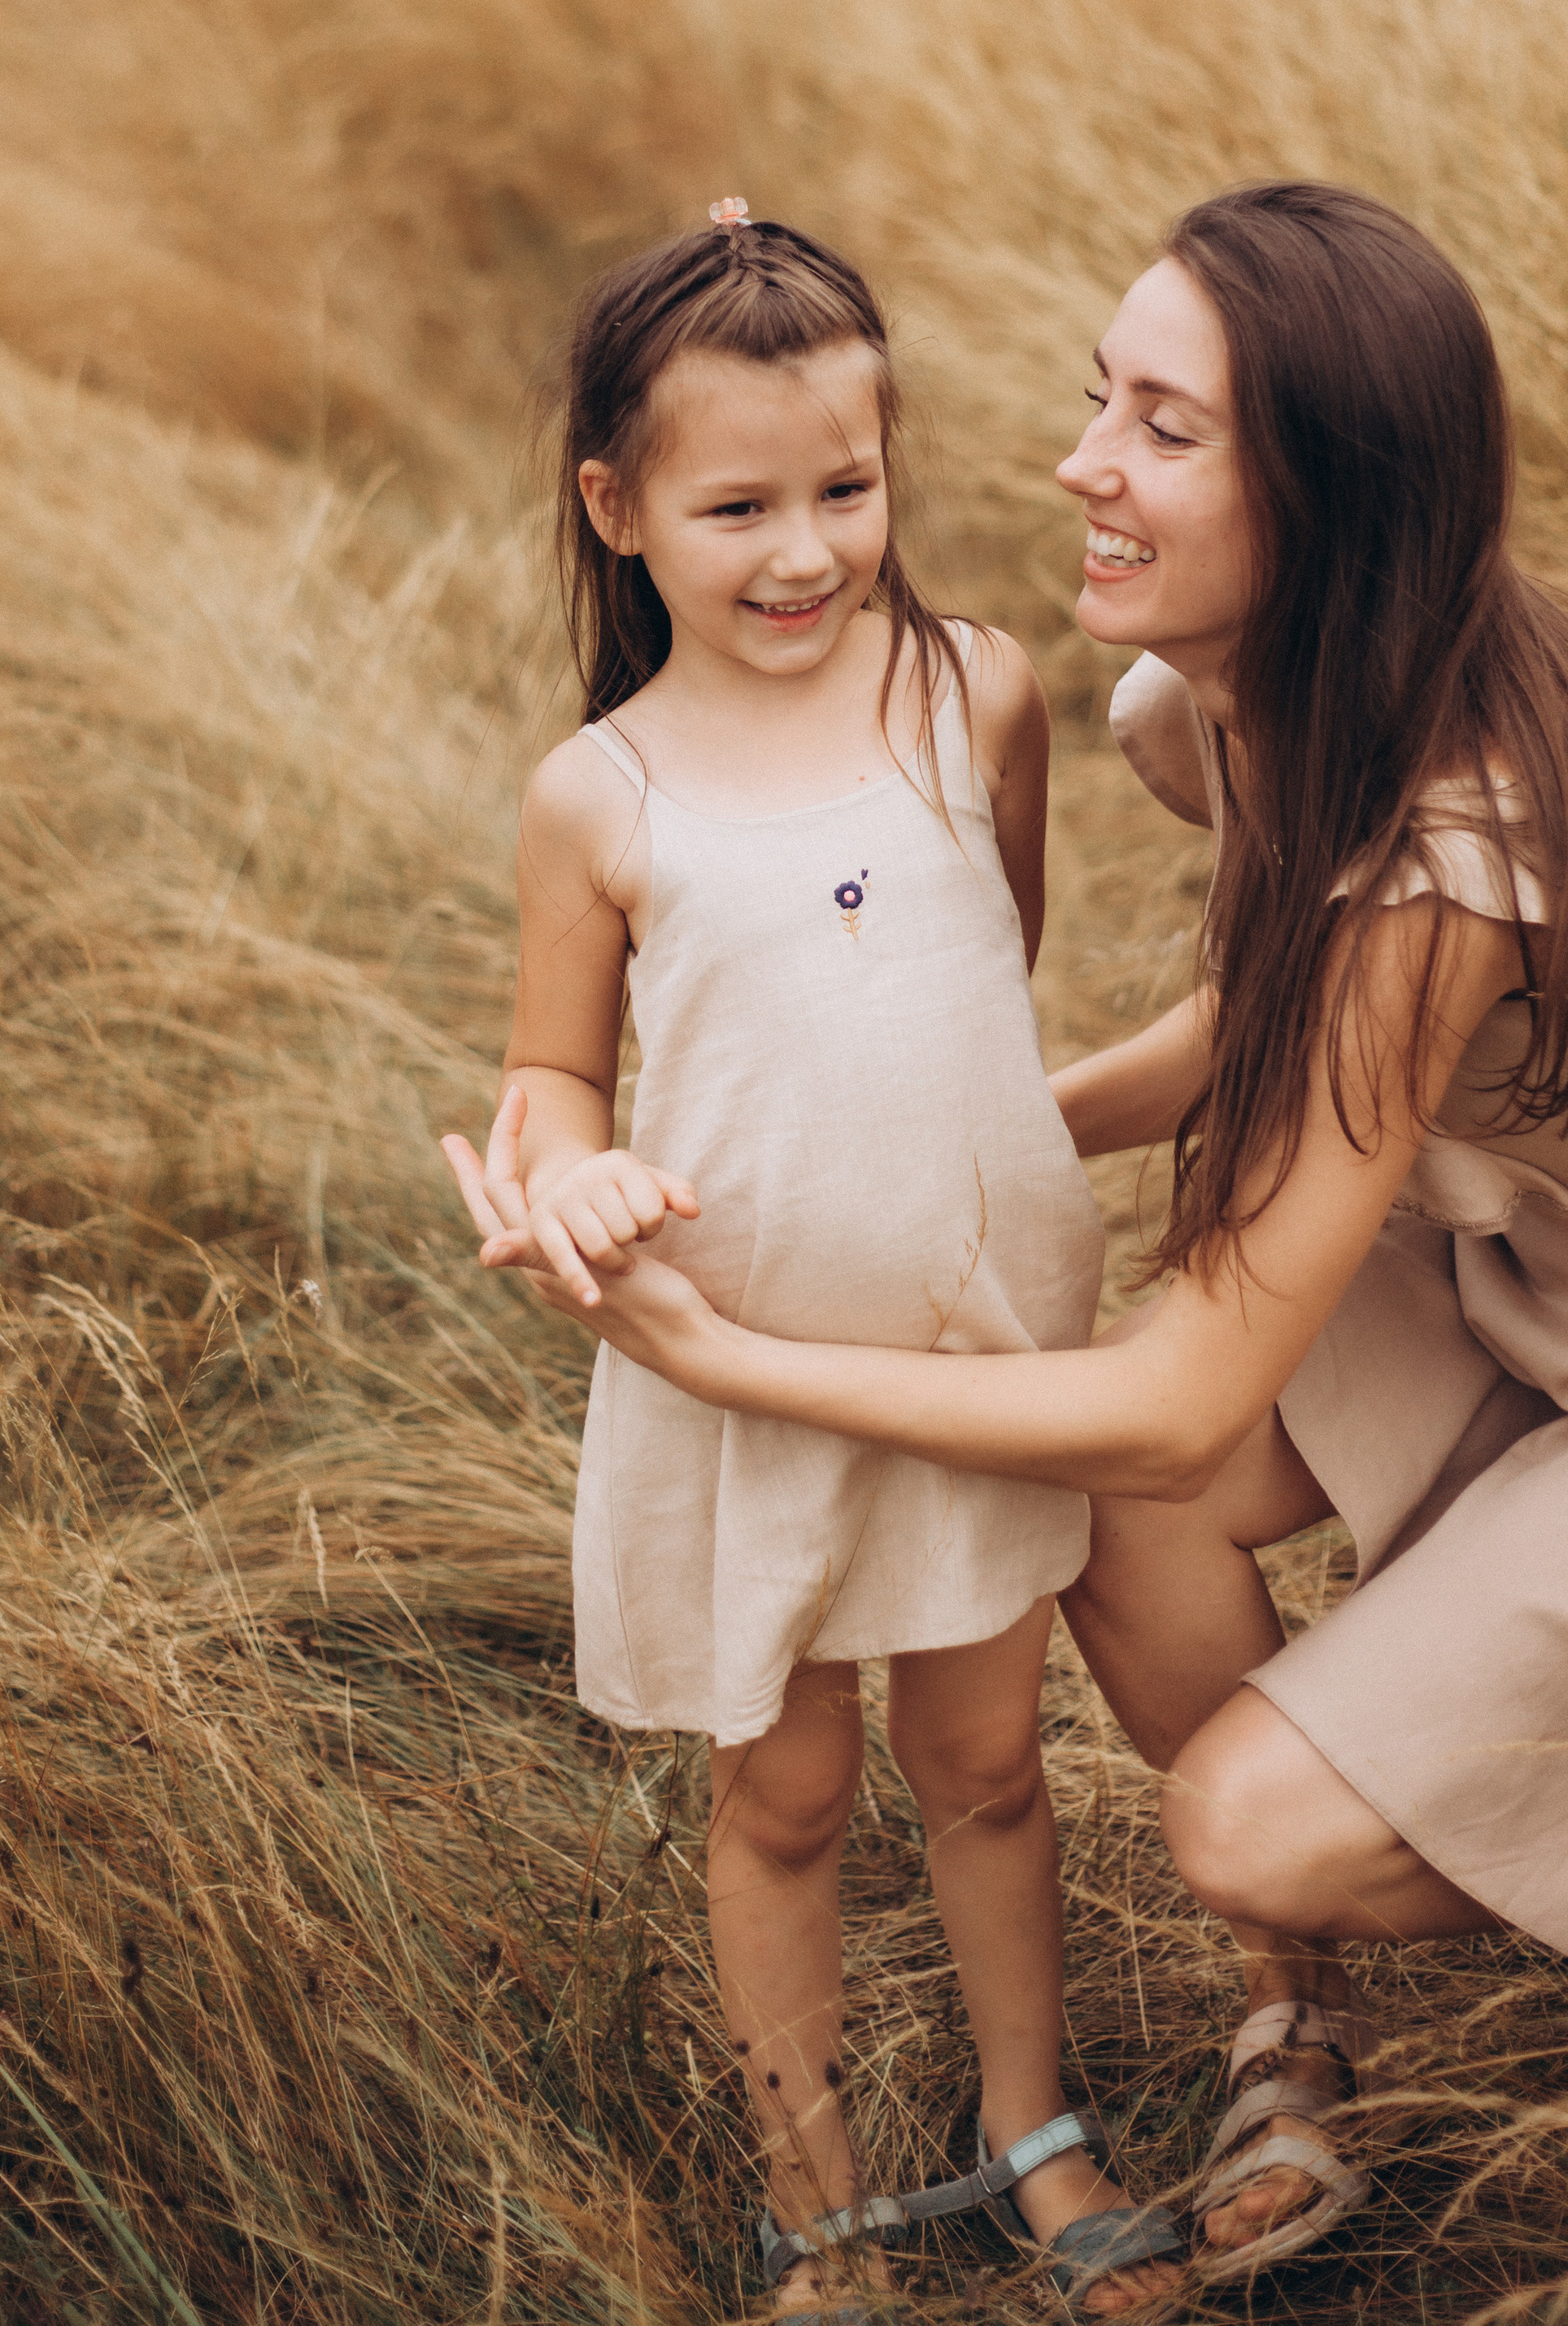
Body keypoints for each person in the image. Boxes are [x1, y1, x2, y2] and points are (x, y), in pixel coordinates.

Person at [454, 181, 1568, 2285]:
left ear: (1328, 495)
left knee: (1229, 1777)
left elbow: (1172, 1392)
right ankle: (1299, 2023)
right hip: (1493, 1250)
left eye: (1162, 425)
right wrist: (911, 1157)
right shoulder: (1194, 696)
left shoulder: (1458, 838)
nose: (1077, 464)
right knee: (1120, 1537)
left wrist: (734, 1356)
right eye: (1091, 398)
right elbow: (1262, 1018)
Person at [442, 203, 1183, 2321]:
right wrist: (570, 1176)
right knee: (783, 1793)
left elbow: (989, 968)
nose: (801, 552)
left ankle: (1032, 2129)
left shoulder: (979, 694)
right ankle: (820, 2195)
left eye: (844, 492)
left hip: (966, 1348)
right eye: (736, 504)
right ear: (619, 507)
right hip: (735, 1369)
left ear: (897, 471)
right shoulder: (603, 793)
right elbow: (550, 1076)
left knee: (986, 1765)